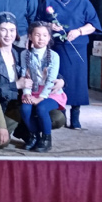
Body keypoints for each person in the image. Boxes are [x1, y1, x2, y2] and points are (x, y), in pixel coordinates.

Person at [0, 12, 66, 148]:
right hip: (4, 107)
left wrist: (61, 80)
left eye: (12, 30)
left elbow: (45, 71)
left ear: (16, 32)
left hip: (24, 101)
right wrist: (16, 85)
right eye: (3, 30)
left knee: (57, 118)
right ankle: (22, 129)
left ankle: (32, 133)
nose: (8, 35)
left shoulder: (22, 53)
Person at [38, 0, 102, 129]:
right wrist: (49, 25)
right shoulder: (49, 2)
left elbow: (93, 25)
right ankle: (60, 114)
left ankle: (75, 116)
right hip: (55, 48)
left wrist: (79, 31)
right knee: (56, 79)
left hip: (77, 49)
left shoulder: (83, 2)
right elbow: (37, 23)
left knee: (77, 82)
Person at [19, 21, 67, 152]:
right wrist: (27, 93)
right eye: (37, 35)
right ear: (30, 36)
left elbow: (51, 79)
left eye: (45, 35)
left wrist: (40, 98)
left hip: (50, 92)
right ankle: (34, 136)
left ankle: (46, 139)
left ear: (49, 37)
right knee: (25, 109)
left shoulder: (54, 56)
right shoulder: (24, 54)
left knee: (41, 108)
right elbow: (25, 75)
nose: (41, 38)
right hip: (32, 90)